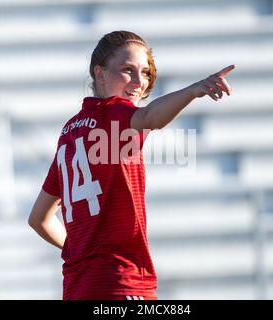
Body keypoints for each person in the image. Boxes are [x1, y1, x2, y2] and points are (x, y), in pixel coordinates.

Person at [28, 30, 235, 300]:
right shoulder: (114, 113)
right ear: (99, 74)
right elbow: (152, 116)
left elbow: (39, 219)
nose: (139, 82)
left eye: (146, 73)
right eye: (128, 70)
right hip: (120, 282)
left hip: (78, 288)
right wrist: (195, 90)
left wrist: (82, 251)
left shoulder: (69, 132)